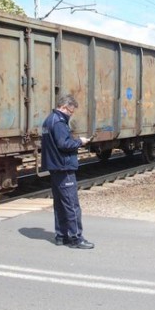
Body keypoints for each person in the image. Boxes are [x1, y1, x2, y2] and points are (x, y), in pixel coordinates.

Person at [41, 94, 93, 249]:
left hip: (55, 167)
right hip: (64, 168)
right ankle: (76, 238)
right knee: (71, 204)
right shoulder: (59, 122)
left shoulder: (48, 120)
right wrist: (80, 142)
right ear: (64, 107)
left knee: (60, 204)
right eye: (71, 112)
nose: (71, 115)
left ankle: (61, 236)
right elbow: (63, 144)